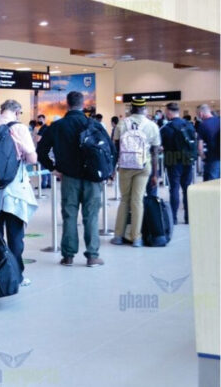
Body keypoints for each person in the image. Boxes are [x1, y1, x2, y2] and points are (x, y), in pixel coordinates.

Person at [37, 91, 115, 267]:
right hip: (92, 179)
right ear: (83, 105)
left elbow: (41, 151)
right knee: (91, 216)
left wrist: (53, 168)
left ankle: (68, 256)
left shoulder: (57, 126)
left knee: (69, 215)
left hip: (69, 177)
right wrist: (108, 171)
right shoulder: (94, 124)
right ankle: (92, 256)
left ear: (67, 104)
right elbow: (111, 149)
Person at [0, 100, 38, 287]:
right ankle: (16, 275)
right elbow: (32, 158)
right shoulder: (19, 128)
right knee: (15, 236)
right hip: (15, 191)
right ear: (17, 112)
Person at [111, 98, 162, 247]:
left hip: (125, 166)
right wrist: (155, 173)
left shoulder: (122, 123)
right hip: (143, 166)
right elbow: (155, 151)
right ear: (144, 108)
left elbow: (116, 148)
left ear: (131, 108)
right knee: (137, 200)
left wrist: (113, 169)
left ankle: (118, 236)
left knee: (124, 200)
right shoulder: (152, 125)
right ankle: (136, 238)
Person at [160, 102, 196, 224]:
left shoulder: (166, 128)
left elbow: (160, 146)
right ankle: (188, 217)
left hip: (172, 159)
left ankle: (174, 218)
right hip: (187, 159)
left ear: (169, 112)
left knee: (174, 188)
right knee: (187, 189)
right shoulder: (189, 125)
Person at [196, 104, 220, 181]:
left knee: (210, 182)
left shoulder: (203, 125)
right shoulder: (219, 120)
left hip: (211, 158)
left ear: (201, 113)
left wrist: (202, 156)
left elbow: (200, 146)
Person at [34, 114, 51, 189]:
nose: (39, 121)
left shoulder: (42, 128)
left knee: (42, 167)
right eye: (38, 120)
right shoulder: (48, 128)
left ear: (44, 119)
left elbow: (37, 139)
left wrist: (35, 134)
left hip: (42, 150)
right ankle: (49, 183)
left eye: (41, 119)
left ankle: (43, 184)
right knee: (47, 166)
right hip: (47, 149)